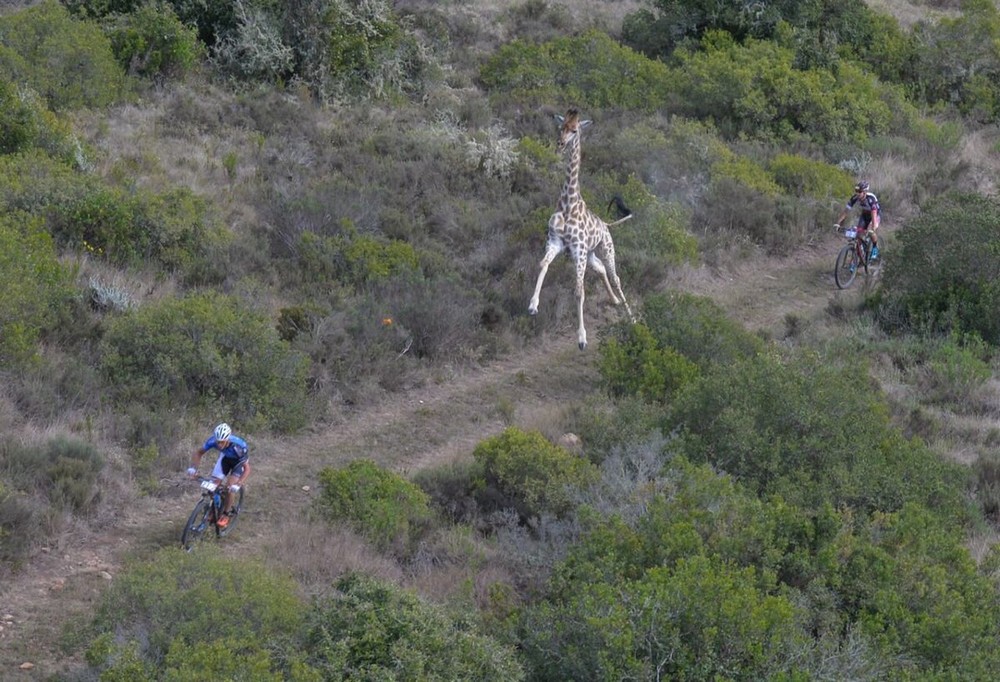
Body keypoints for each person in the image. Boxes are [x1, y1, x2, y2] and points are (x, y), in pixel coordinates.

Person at [187, 422, 250, 529]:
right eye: (218, 442)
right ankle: (214, 509)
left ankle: (226, 514)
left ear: (227, 440)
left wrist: (238, 484)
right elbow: (199, 453)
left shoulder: (238, 447)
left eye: (222, 442)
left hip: (238, 463)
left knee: (230, 487)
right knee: (213, 484)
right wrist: (193, 469)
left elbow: (247, 469)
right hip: (225, 459)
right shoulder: (213, 441)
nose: (219, 445)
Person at [835, 181, 881, 261]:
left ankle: (874, 247)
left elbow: (874, 214)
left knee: (871, 231)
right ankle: (857, 258)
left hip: (875, 215)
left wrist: (873, 228)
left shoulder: (870, 199)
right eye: (856, 191)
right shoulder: (854, 198)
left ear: (865, 192)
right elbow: (845, 211)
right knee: (858, 235)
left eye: (859, 192)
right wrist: (838, 223)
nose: (857, 193)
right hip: (865, 215)